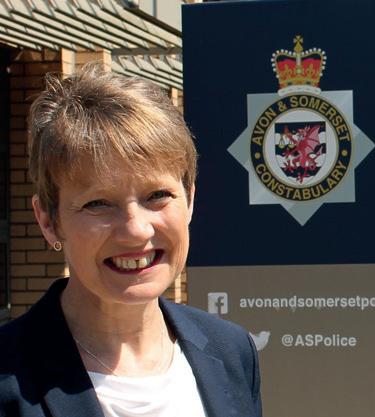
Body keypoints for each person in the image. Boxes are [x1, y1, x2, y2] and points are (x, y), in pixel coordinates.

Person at [0, 65, 262, 417]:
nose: (136, 230)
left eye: (157, 196)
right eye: (97, 204)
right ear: (48, 220)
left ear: (190, 200)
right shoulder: (8, 375)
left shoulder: (231, 351)